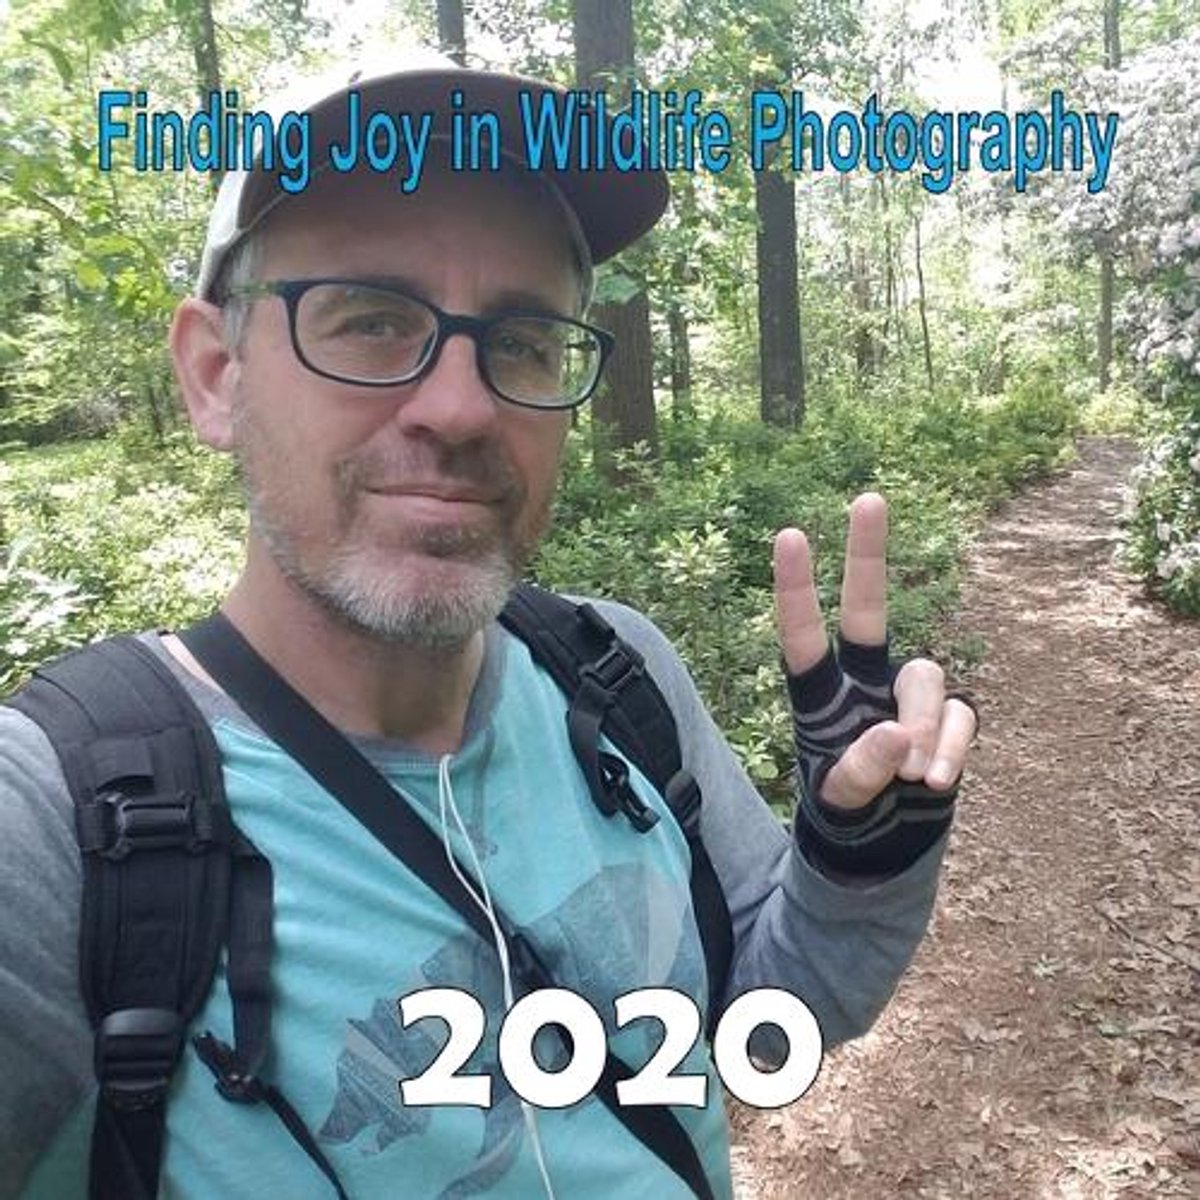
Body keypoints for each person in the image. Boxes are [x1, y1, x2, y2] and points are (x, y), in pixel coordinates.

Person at [0, 51, 976, 1200]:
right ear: (216, 375)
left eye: (520, 340)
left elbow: (766, 1017)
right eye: (369, 320)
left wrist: (857, 859)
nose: (461, 407)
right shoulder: (61, 827)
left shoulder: (615, 674)